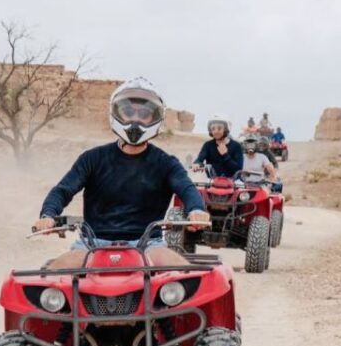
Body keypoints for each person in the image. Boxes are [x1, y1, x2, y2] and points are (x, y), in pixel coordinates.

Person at [33, 78, 210, 268]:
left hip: (149, 245)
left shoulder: (167, 163)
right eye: (127, 111)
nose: (135, 118)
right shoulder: (92, 158)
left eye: (144, 113)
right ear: (116, 113)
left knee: (182, 275)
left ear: (155, 118)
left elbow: (187, 188)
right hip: (92, 244)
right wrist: (48, 215)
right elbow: (63, 190)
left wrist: (197, 210)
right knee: (52, 277)